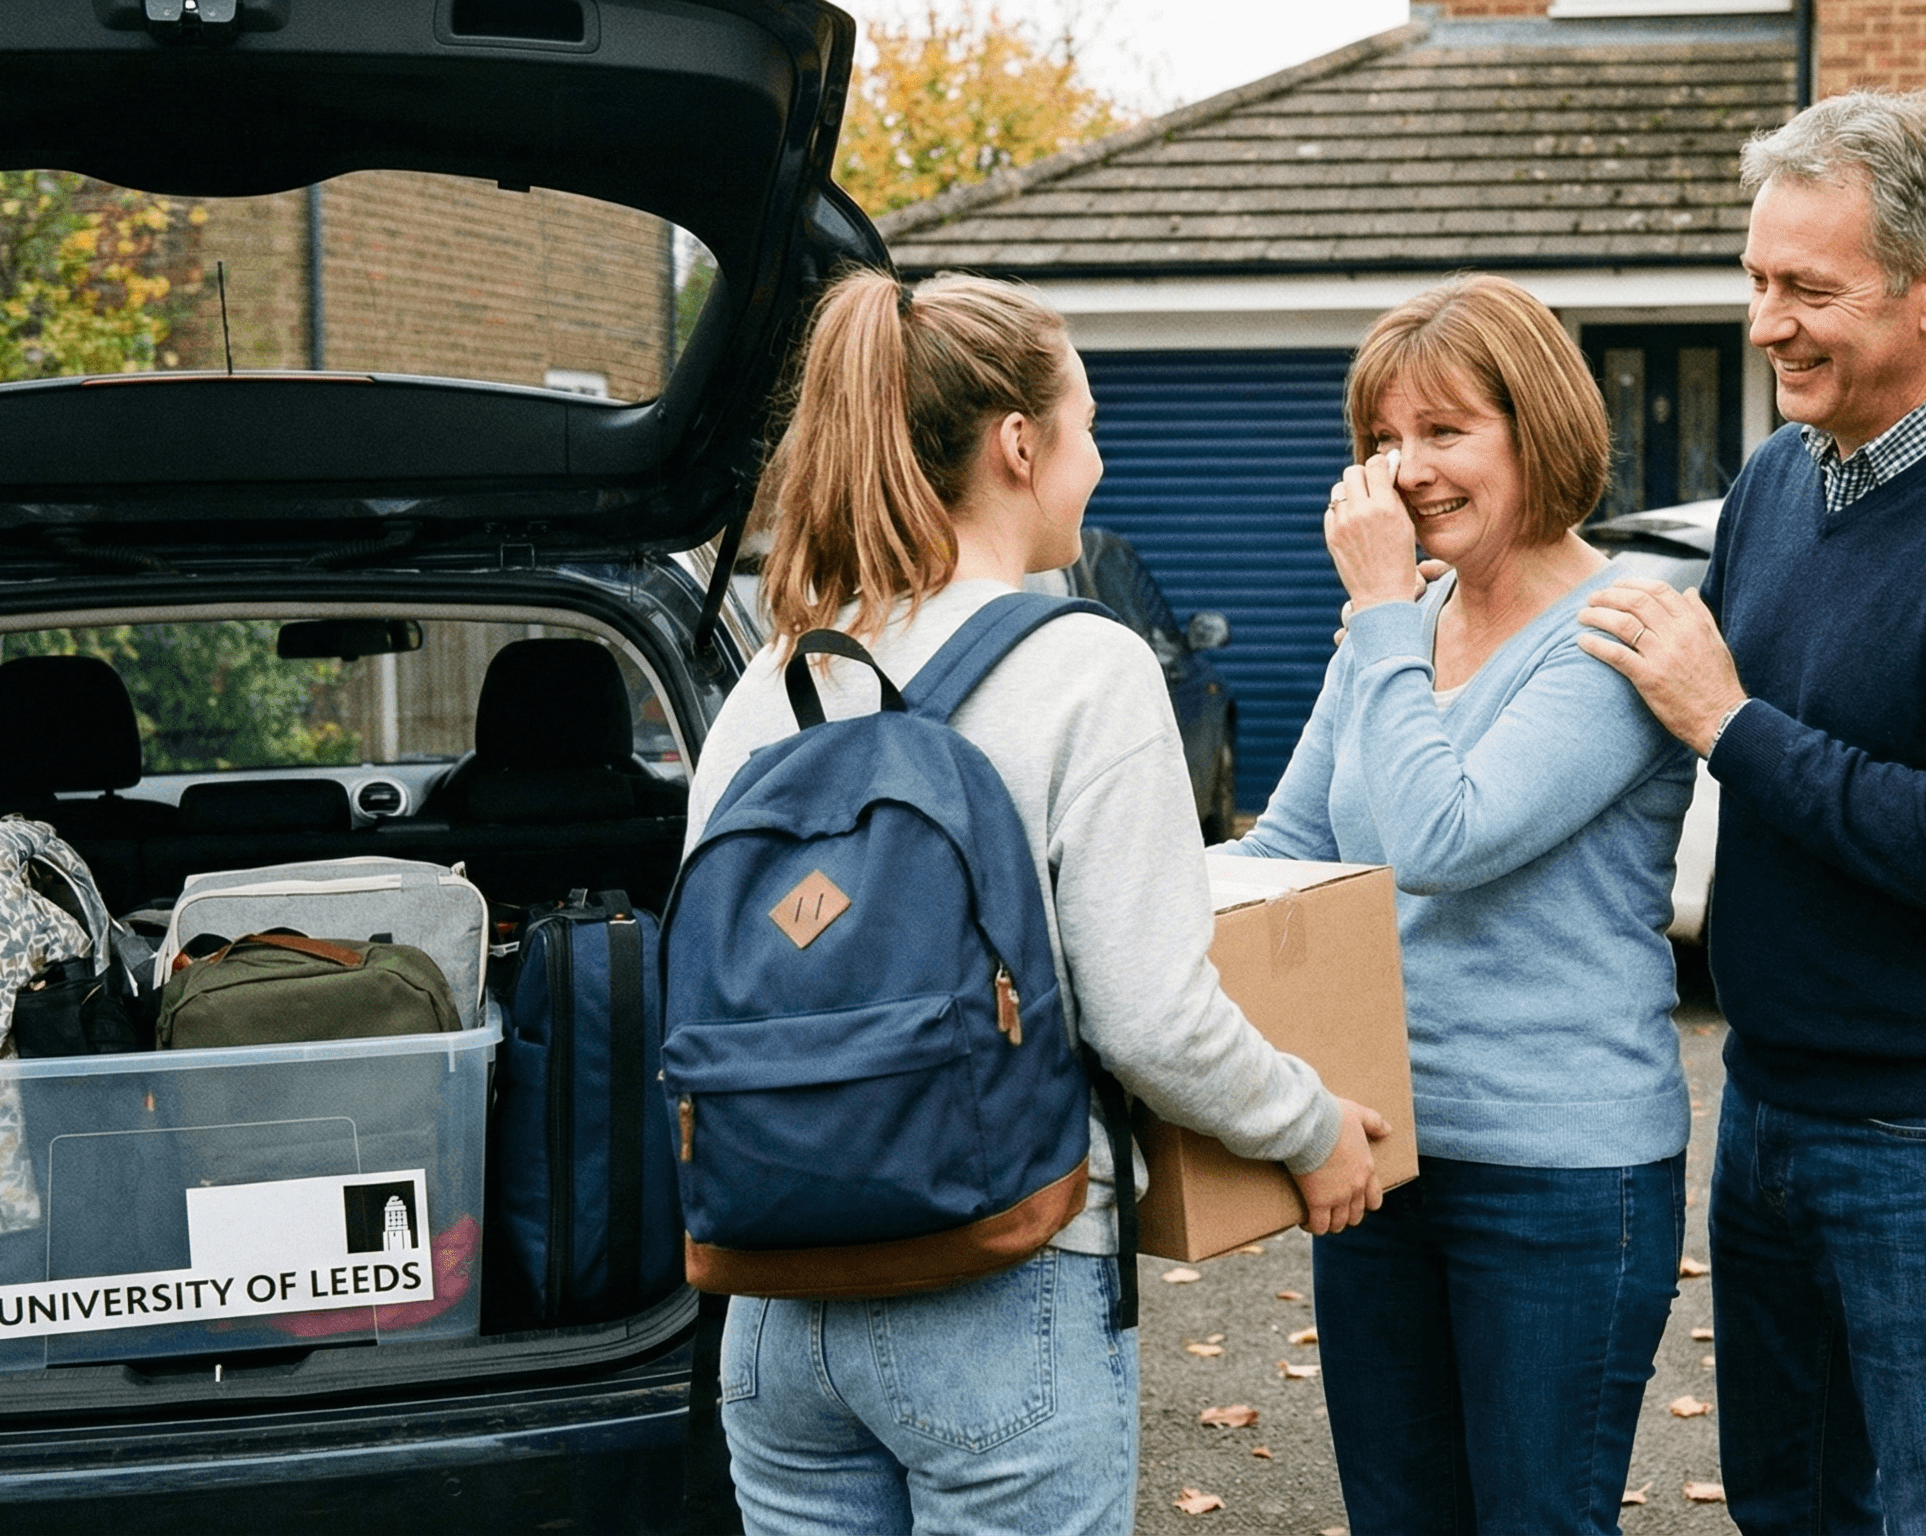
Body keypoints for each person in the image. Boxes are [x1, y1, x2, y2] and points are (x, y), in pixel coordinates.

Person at [682, 269, 1389, 1536]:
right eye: (1090, 423)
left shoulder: (772, 681)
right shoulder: (1082, 666)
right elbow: (1149, 1015)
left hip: (773, 1318)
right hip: (998, 1287)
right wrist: (1311, 1125)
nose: (1099, 459)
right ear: (1019, 443)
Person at [1577, 91, 1926, 1535]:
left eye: (1807, 290)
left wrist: (1733, 724)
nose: (1767, 323)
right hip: (1772, 1102)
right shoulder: (1780, 480)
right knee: (1790, 1501)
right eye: (1759, 282)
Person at [1229, 273, 1697, 1535]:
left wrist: (1375, 614)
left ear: (1532, 428)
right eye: (1382, 441)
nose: (1405, 472)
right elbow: (1288, 846)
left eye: (1443, 432)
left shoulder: (1621, 629)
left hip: (1559, 1174)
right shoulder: (1402, 626)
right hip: (1379, 1157)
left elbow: (1445, 838)